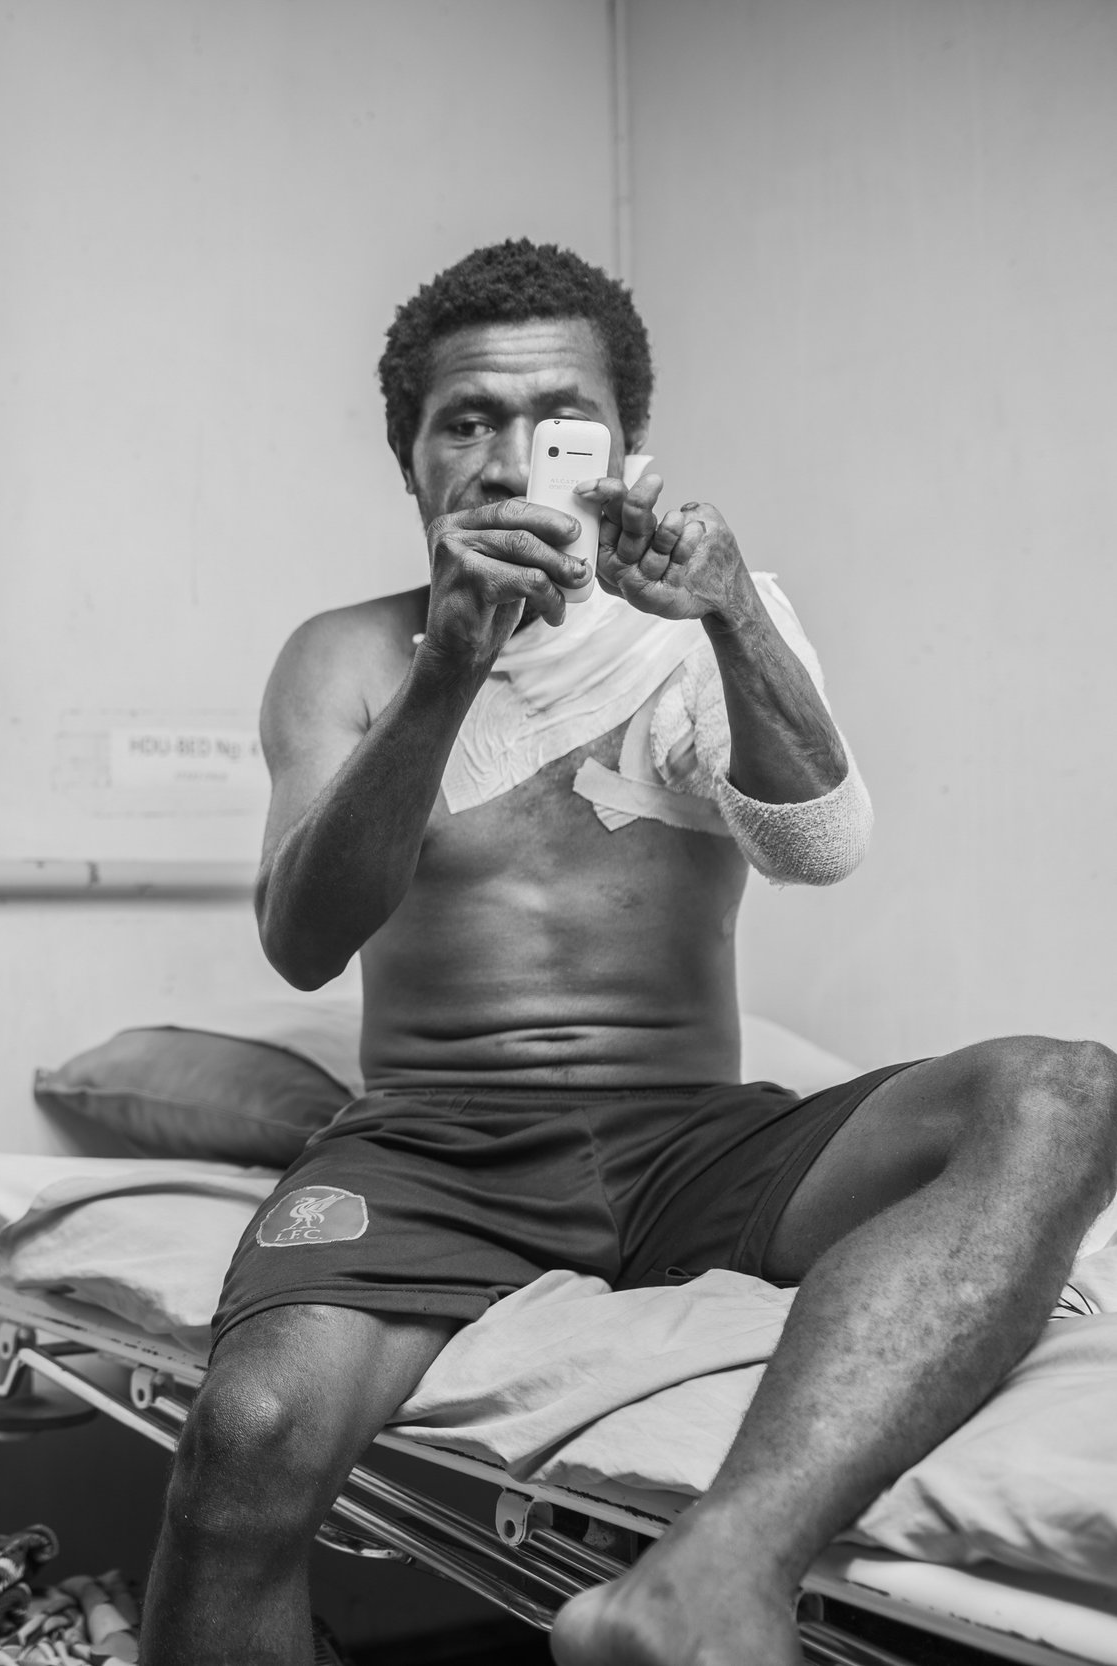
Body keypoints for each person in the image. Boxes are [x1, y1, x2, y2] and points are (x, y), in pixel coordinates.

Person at [139, 241, 1117, 1666]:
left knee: (1069, 1091)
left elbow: (820, 846)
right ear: (406, 451)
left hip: (689, 1148)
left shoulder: (702, 627)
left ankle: (708, 1578)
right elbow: (302, 939)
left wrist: (724, 613)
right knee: (245, 1432)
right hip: (435, 1152)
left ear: (621, 445)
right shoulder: (344, 656)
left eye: (553, 420)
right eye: (464, 419)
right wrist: (452, 664)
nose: (503, 455)